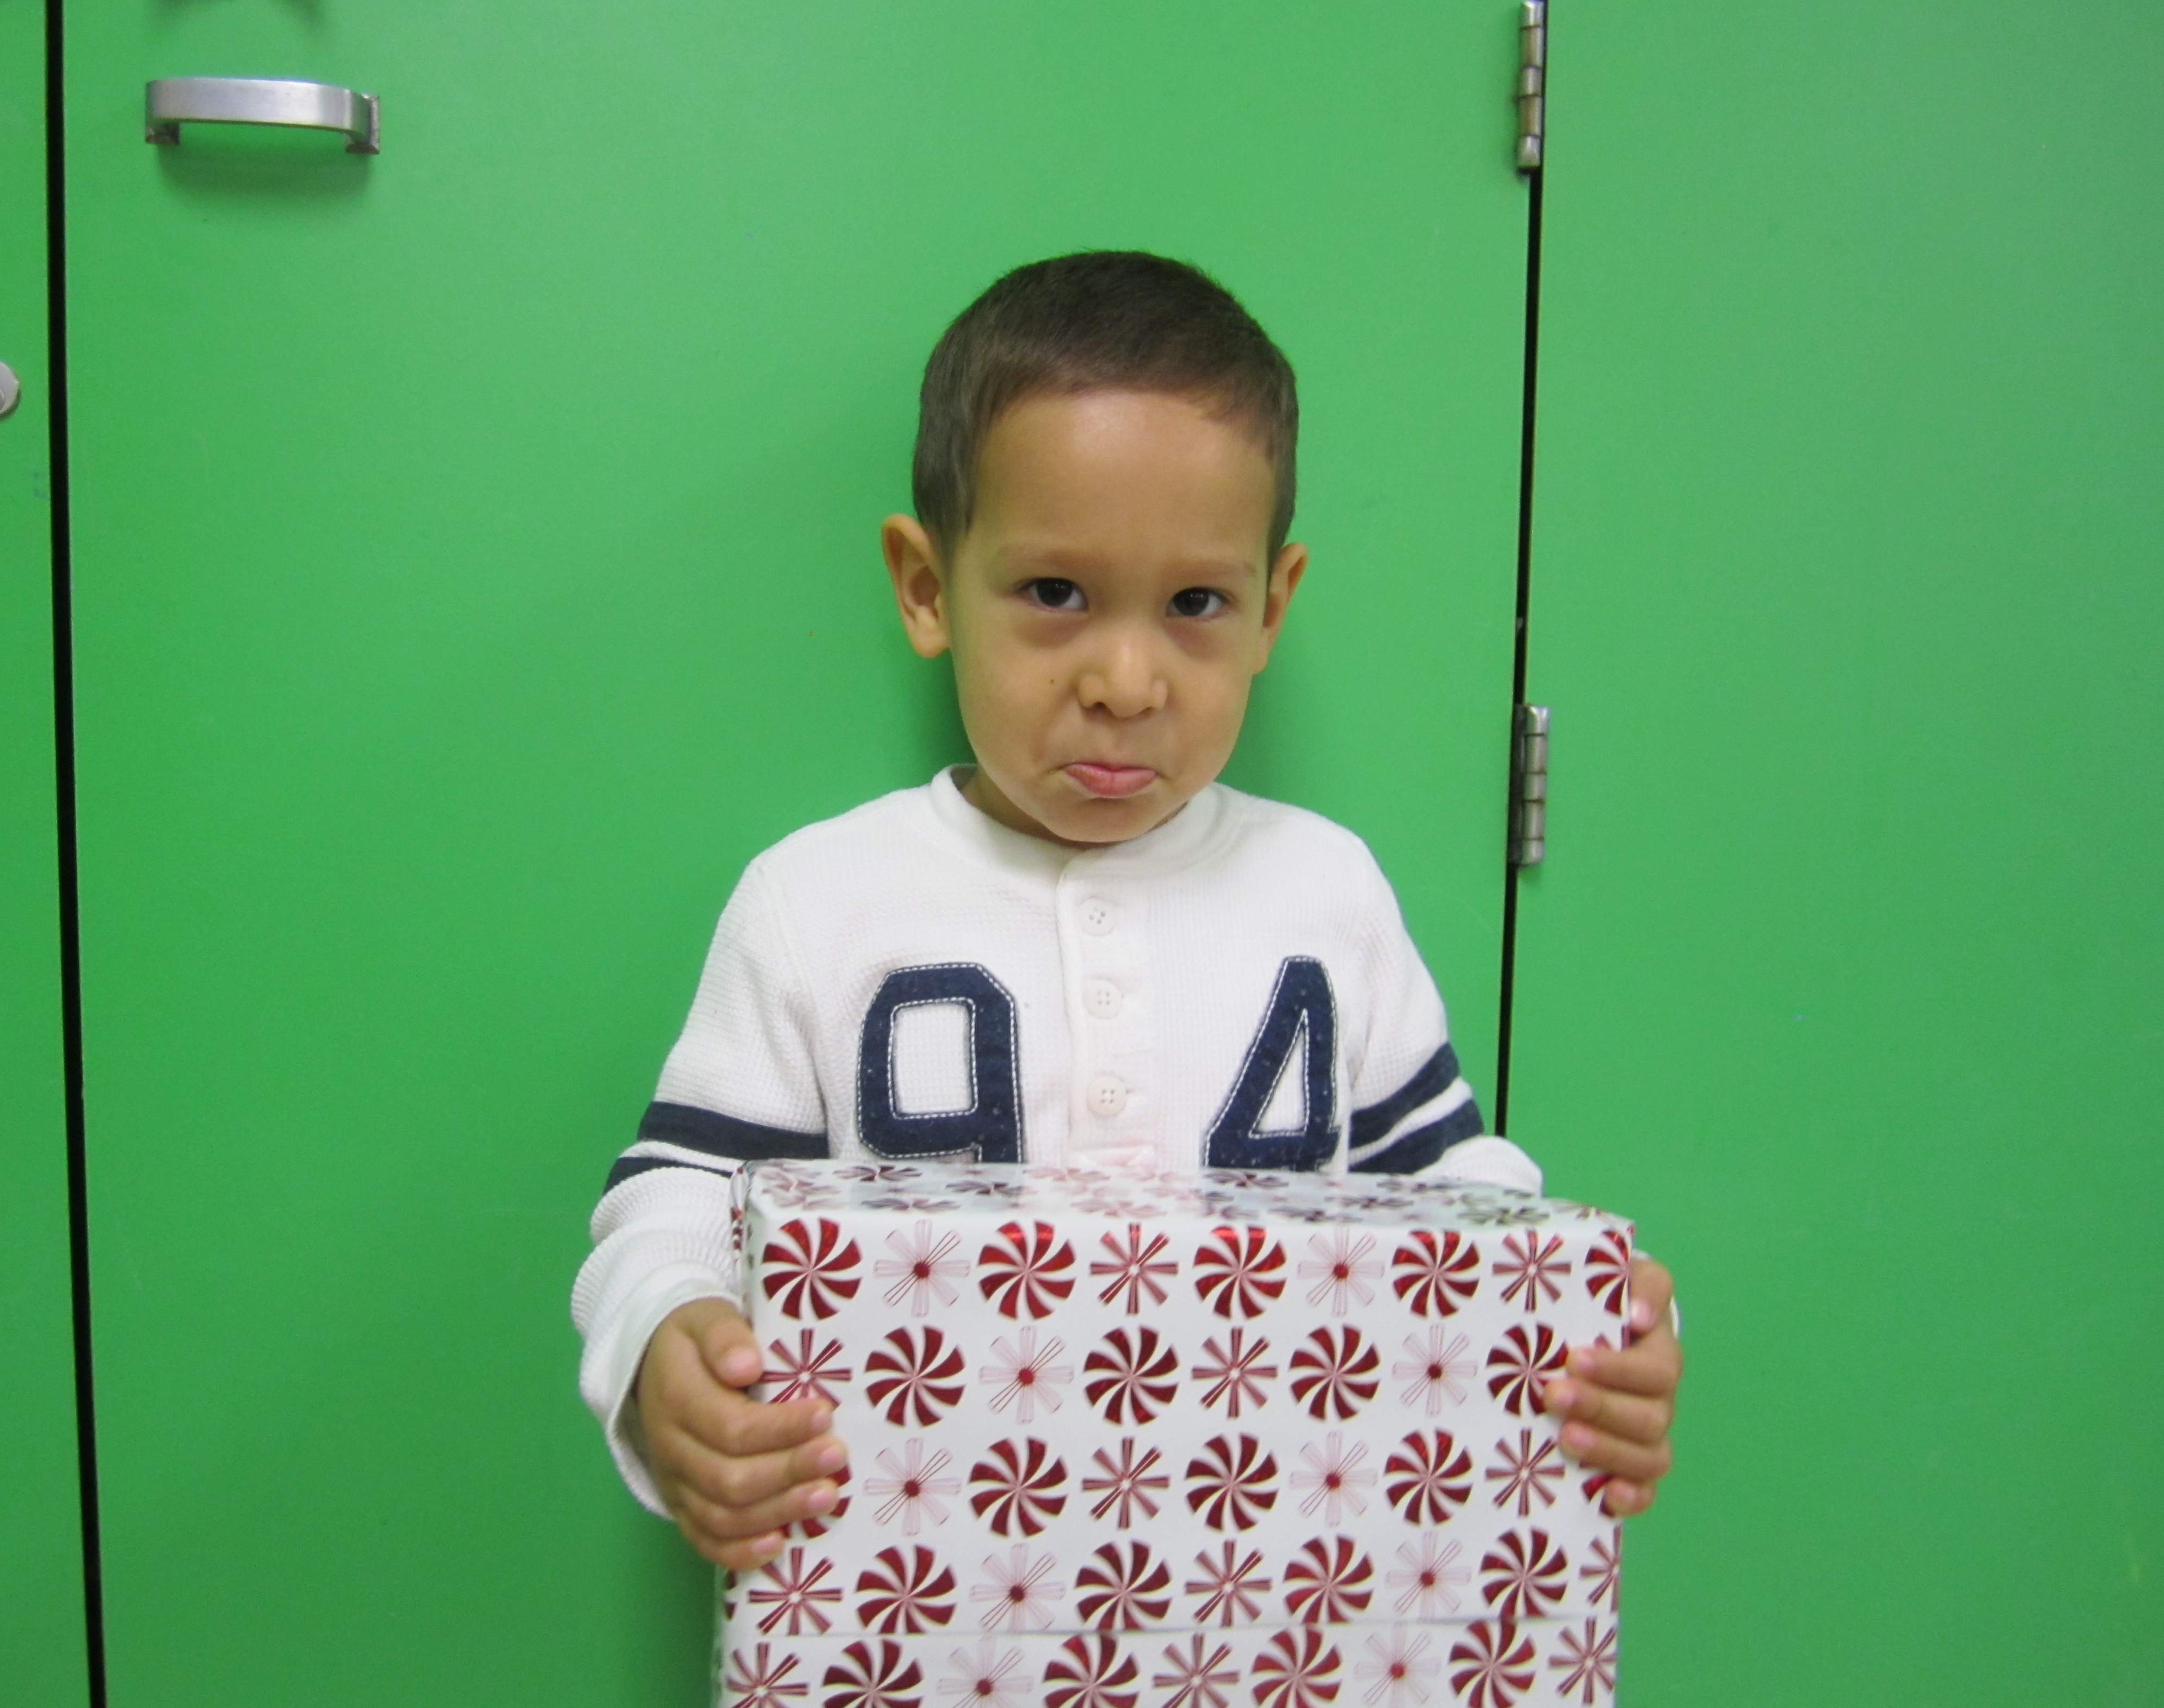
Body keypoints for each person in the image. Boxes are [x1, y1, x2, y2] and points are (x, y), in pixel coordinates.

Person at [571, 250, 1681, 1571]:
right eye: (1056, 594)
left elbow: (1454, 1206)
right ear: (927, 587)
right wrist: (665, 1340)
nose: (1126, 680)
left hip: (1267, 1579)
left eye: (1197, 604)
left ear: (1271, 608)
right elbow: (678, 1202)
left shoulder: (1326, 894)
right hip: (915, 1584)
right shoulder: (818, 902)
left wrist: (1591, 1322)